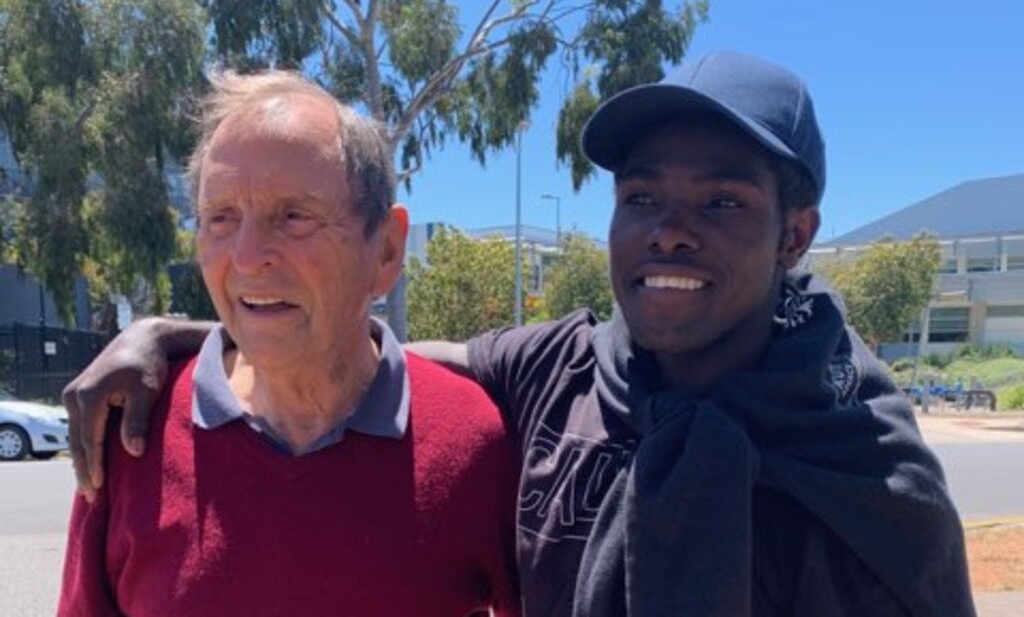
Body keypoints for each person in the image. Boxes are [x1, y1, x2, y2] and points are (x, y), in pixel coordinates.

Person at [64, 52, 974, 616]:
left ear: (796, 234)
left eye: (723, 200)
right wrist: (184, 333)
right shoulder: (559, 372)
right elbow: (361, 346)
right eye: (643, 197)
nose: (670, 231)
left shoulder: (862, 457)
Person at [57, 71, 520, 616]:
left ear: (388, 250)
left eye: (294, 217)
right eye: (221, 218)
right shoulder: (131, 436)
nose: (248, 257)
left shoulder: (478, 442)